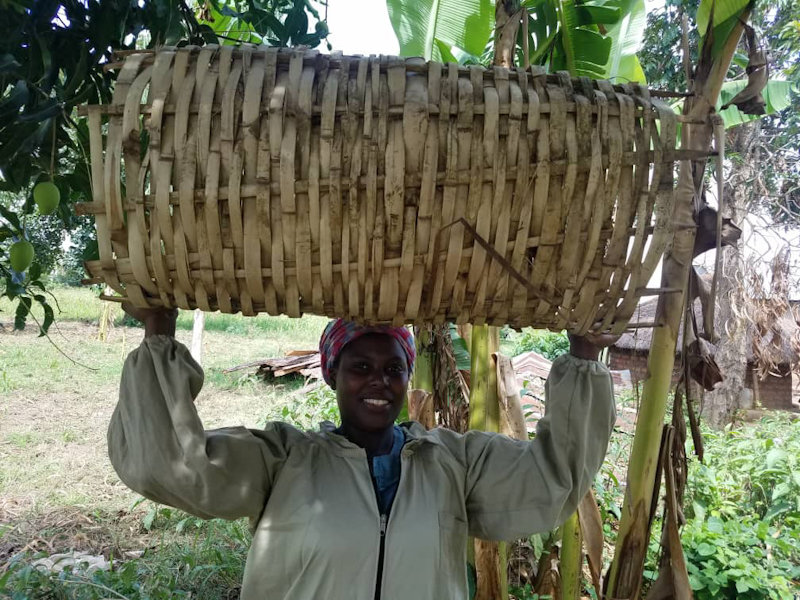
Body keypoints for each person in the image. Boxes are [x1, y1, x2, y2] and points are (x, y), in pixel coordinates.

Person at [109, 305, 616, 600]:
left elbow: (554, 479)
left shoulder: (453, 463)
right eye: (360, 366)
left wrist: (585, 356)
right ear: (331, 373)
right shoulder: (284, 460)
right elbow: (174, 465)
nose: (379, 381)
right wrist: (158, 336)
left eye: (393, 368)